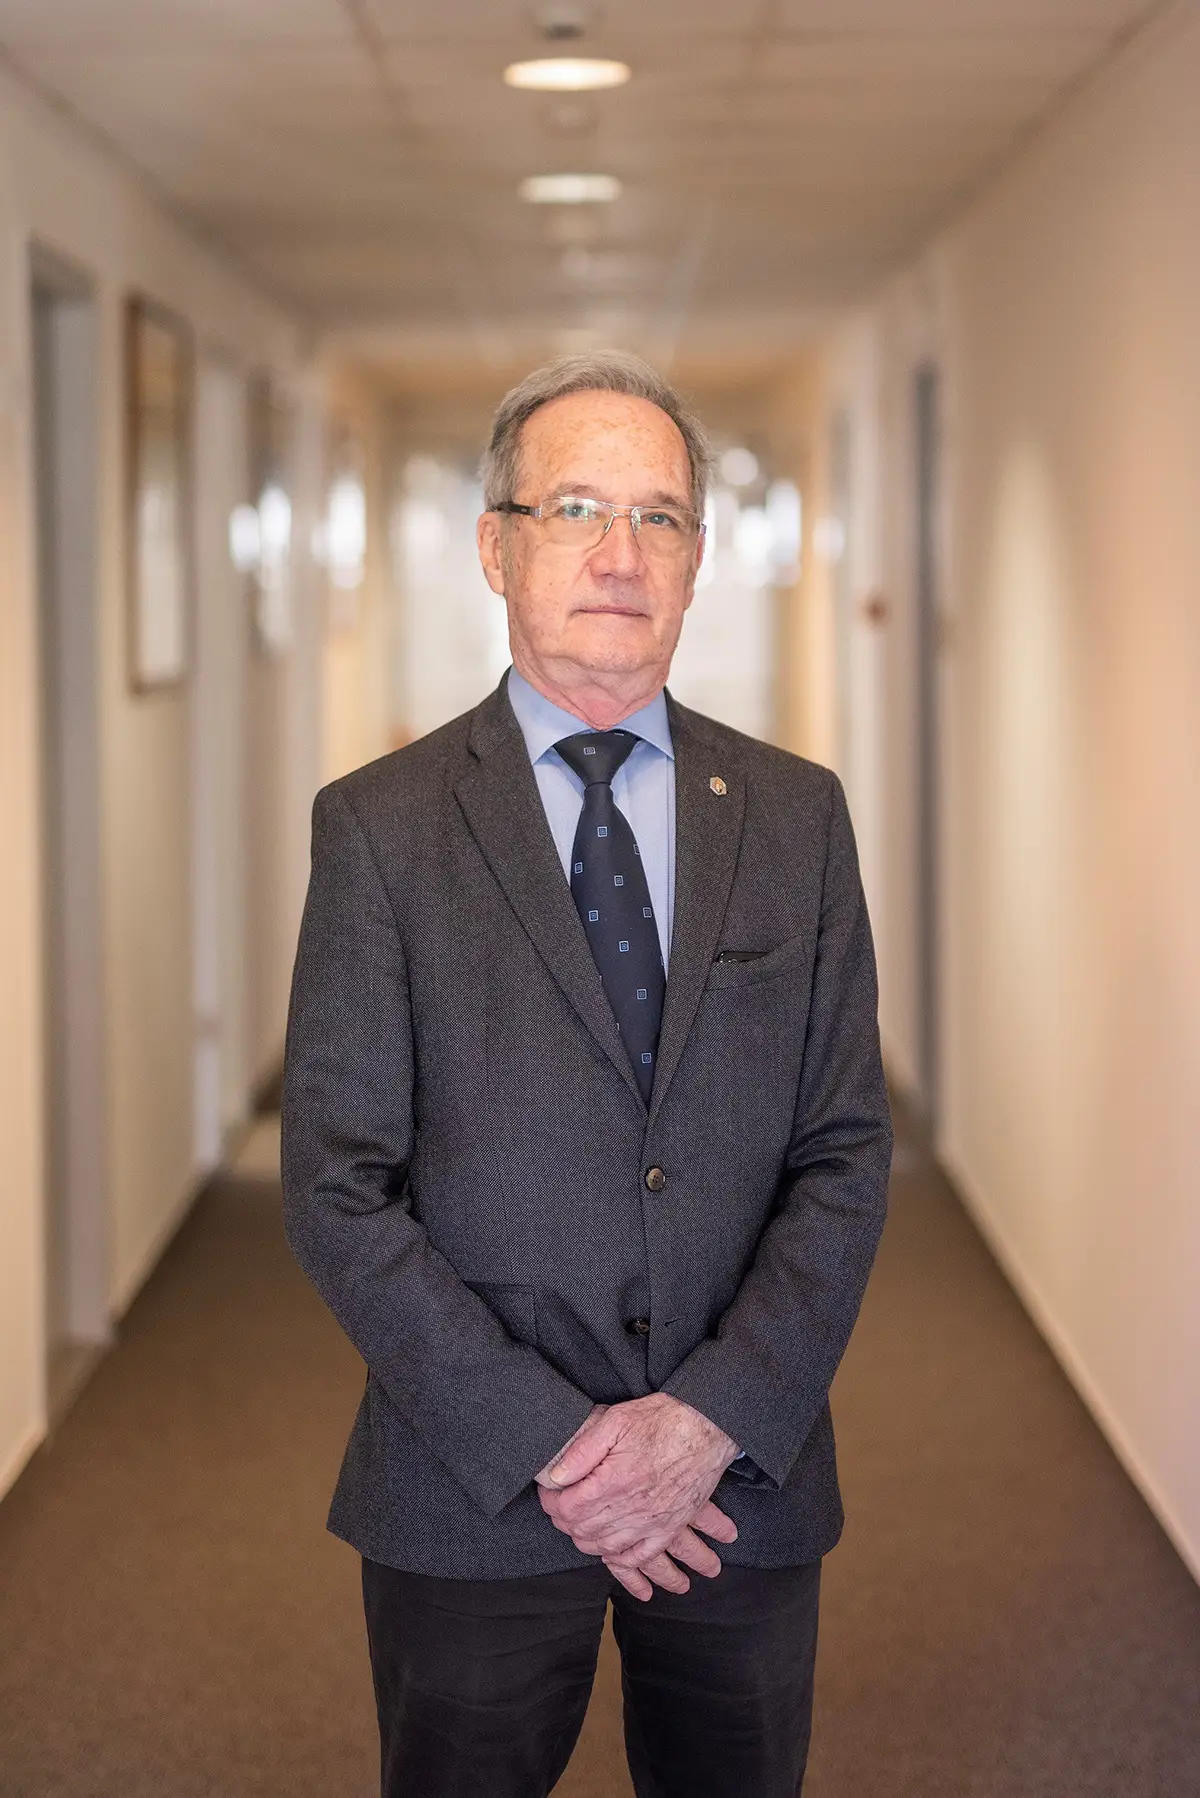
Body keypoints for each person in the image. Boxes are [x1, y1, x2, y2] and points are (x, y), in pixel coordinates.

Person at [281, 350, 893, 1798]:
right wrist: (555, 1443)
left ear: (697, 557)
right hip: (474, 1481)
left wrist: (708, 1420)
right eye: (574, 509)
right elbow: (338, 1185)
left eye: (659, 516)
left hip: (737, 1478)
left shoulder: (796, 818)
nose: (621, 554)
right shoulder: (381, 828)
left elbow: (843, 1152)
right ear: (496, 548)